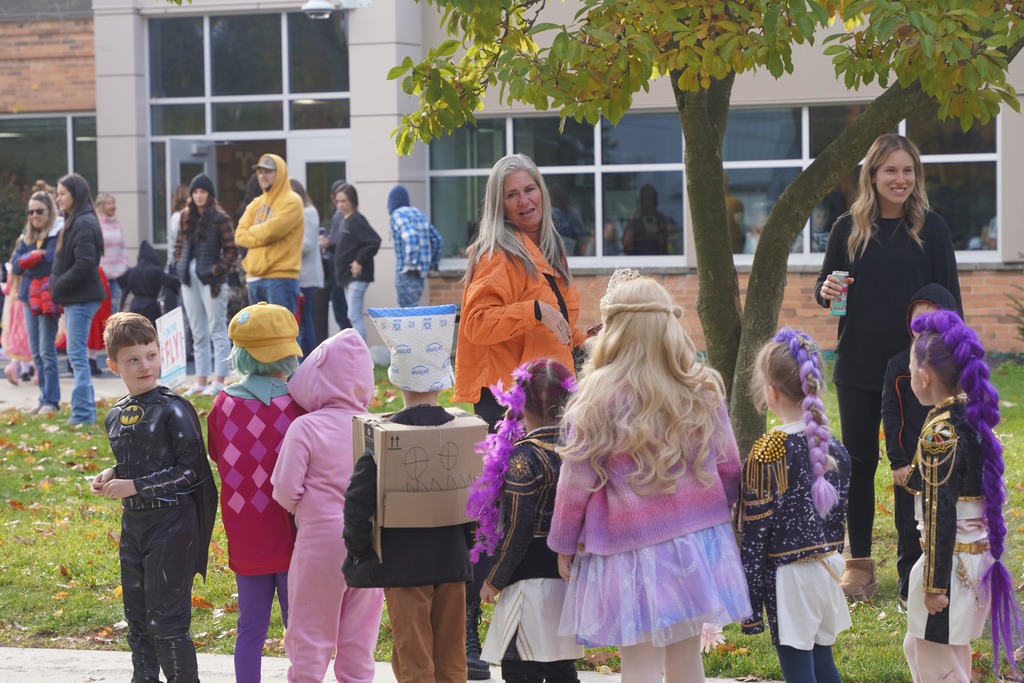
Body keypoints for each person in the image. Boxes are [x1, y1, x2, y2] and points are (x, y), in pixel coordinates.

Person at [548, 271, 751, 682]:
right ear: (668, 326)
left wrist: (563, 542)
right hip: (697, 541)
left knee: (637, 662)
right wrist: (719, 508)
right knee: (686, 655)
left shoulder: (595, 396)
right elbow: (729, 466)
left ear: (615, 329)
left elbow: (575, 484)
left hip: (629, 548)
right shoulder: (701, 386)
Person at [454, 152, 591, 679]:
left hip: (548, 398)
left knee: (534, 513)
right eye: (511, 195)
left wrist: (584, 339)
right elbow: (477, 324)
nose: (524, 201)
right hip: (508, 402)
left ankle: (529, 630)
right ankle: (473, 628)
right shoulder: (497, 254)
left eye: (529, 189)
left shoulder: (546, 248)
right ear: (499, 204)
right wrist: (531, 310)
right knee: (500, 515)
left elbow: (555, 325)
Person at [815, 133, 962, 600]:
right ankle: (858, 564)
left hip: (914, 374)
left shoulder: (931, 229)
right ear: (872, 175)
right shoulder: (847, 229)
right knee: (857, 467)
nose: (900, 179)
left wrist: (948, 366)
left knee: (913, 469)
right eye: (890, 171)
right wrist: (828, 293)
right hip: (857, 366)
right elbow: (827, 287)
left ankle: (914, 566)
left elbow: (951, 301)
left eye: (908, 171)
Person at [343, 304, 473, 683]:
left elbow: (357, 503)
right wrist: (472, 546)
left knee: (413, 653)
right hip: (452, 560)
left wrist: (359, 549)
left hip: (402, 565)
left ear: (397, 382)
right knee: (452, 654)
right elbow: (478, 499)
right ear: (442, 382)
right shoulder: (464, 436)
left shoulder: (382, 442)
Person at [91, 311, 218, 683]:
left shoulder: (173, 408)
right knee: (138, 621)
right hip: (135, 527)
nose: (144, 365)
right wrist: (113, 473)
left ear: (161, 354)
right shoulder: (116, 415)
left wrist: (135, 486)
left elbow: (192, 472)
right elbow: (136, 461)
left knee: (166, 621)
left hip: (172, 524)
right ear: (115, 366)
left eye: (150, 355)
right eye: (132, 359)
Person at [900, 310, 1024, 682]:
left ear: (923, 376)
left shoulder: (941, 434)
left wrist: (934, 586)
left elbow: (940, 512)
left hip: (950, 566)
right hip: (972, 560)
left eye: (910, 367)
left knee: (936, 659)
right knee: (934, 648)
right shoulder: (973, 416)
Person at [739, 327, 852, 683]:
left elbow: (754, 535)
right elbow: (837, 522)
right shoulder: (835, 448)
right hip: (828, 569)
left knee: (799, 672)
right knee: (823, 661)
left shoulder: (767, 452)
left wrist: (749, 605)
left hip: (790, 580)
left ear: (770, 393)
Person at [271, 328, 383, 683]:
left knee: (310, 632)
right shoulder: (377, 428)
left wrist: (301, 509)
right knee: (359, 637)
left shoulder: (305, 427)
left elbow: (285, 489)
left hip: (320, 541)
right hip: (372, 544)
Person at [468, 358, 583, 682]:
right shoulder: (576, 449)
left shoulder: (523, 457)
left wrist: (495, 579)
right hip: (566, 573)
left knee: (520, 665)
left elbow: (519, 527)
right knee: (561, 665)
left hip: (527, 579)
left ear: (520, 403)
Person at [208, 302, 305, 683]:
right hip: (293, 528)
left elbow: (217, 453)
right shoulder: (298, 405)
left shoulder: (223, 403)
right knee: (299, 628)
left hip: (245, 530)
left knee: (250, 628)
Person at [880, 283, 958, 607]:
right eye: (917, 322)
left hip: (948, 464)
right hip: (911, 469)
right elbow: (891, 413)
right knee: (910, 529)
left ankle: (947, 585)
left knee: (943, 525)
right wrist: (898, 461)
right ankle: (907, 588)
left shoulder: (957, 365)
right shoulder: (900, 366)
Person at [173, 173, 237, 397]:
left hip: (212, 283)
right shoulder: (186, 217)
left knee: (217, 329)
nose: (199, 196)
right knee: (197, 331)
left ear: (209, 194)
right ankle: (200, 380)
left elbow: (232, 251)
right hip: (188, 279)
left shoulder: (220, 218)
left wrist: (215, 270)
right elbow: (179, 245)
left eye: (203, 191)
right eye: (196, 192)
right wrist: (178, 265)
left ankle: (219, 379)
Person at [50, 173, 107, 427]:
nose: (58, 198)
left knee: (77, 357)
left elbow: (85, 263)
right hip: (76, 297)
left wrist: (58, 286)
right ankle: (84, 411)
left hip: (82, 298)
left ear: (76, 194)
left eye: (62, 193)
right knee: (77, 356)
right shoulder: (75, 220)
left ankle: (83, 413)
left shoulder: (83, 223)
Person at [11, 190, 61, 415]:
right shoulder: (27, 235)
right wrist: (34, 255)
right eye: (31, 211)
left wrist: (31, 258)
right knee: (36, 352)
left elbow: (49, 263)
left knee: (46, 350)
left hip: (47, 299)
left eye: (39, 211)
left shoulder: (56, 232)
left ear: (49, 211)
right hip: (27, 297)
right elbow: (16, 265)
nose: (34, 215)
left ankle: (52, 401)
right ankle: (44, 399)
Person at [235, 154, 304, 314]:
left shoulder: (292, 201)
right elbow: (239, 235)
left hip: (280, 278)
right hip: (253, 278)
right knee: (259, 335)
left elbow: (271, 231)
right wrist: (264, 235)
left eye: (268, 172)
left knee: (282, 334)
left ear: (279, 173)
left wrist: (254, 230)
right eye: (260, 172)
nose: (262, 176)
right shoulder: (256, 202)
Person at [333, 183, 380, 340]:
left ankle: (362, 357)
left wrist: (359, 261)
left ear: (352, 201)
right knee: (352, 316)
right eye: (337, 201)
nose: (340, 204)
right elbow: (347, 246)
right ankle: (358, 355)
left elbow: (374, 241)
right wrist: (330, 246)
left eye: (343, 201)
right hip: (346, 276)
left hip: (357, 277)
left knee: (354, 316)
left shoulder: (357, 219)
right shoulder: (344, 219)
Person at [387, 185, 442, 308]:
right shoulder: (420, 214)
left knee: (407, 312)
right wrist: (433, 264)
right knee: (414, 308)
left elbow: (411, 237)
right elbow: (437, 239)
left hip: (407, 272)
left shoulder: (397, 215)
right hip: (421, 273)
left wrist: (411, 265)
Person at [290, 179, 324, 356]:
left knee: (305, 322)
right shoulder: (298, 213)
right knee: (301, 322)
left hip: (306, 277)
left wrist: (284, 247)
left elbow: (308, 244)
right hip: (298, 276)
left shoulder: (308, 212)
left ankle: (310, 360)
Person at [118, 240, 178, 327]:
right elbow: (170, 282)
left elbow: (124, 288)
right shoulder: (156, 271)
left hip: (135, 307)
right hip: (152, 307)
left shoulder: (132, 271)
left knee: (135, 334)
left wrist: (121, 307)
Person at [319, 179, 350, 333]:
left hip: (338, 271)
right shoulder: (344, 214)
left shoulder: (340, 214)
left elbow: (338, 243)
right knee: (346, 314)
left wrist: (327, 244)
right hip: (343, 270)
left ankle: (350, 350)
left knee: (343, 315)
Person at [95, 193, 129, 311]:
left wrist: (124, 264)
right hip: (102, 274)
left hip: (117, 273)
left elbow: (123, 246)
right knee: (103, 308)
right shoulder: (96, 224)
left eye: (113, 203)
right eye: (109, 203)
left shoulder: (117, 224)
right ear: (101, 206)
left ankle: (115, 330)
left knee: (116, 308)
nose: (112, 206)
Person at [621, 183, 676, 255]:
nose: (648, 203)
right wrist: (631, 225)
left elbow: (667, 247)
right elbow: (626, 246)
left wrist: (664, 232)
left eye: (650, 199)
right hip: (636, 258)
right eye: (646, 199)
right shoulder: (634, 218)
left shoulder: (661, 219)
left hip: (658, 258)